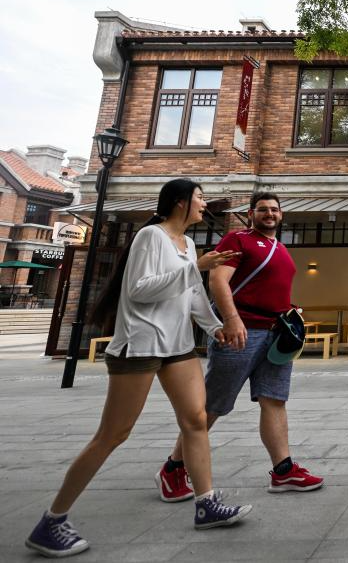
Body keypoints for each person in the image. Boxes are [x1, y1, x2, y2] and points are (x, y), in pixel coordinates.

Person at [25, 179, 252, 558]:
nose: (204, 204)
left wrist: (216, 328)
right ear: (180, 203)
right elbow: (140, 290)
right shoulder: (151, 237)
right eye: (199, 198)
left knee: (196, 421)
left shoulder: (188, 243)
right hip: (140, 345)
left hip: (178, 347)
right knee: (113, 433)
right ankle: (51, 521)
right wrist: (196, 268)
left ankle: (207, 503)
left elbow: (194, 295)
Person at [157, 191, 324, 500]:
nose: (269, 214)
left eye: (274, 210)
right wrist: (232, 320)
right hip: (242, 333)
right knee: (214, 403)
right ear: (250, 214)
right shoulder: (237, 240)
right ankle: (173, 468)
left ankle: (283, 471)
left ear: (281, 215)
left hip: (276, 335)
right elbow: (218, 281)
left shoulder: (279, 247)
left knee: (274, 399)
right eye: (262, 209)